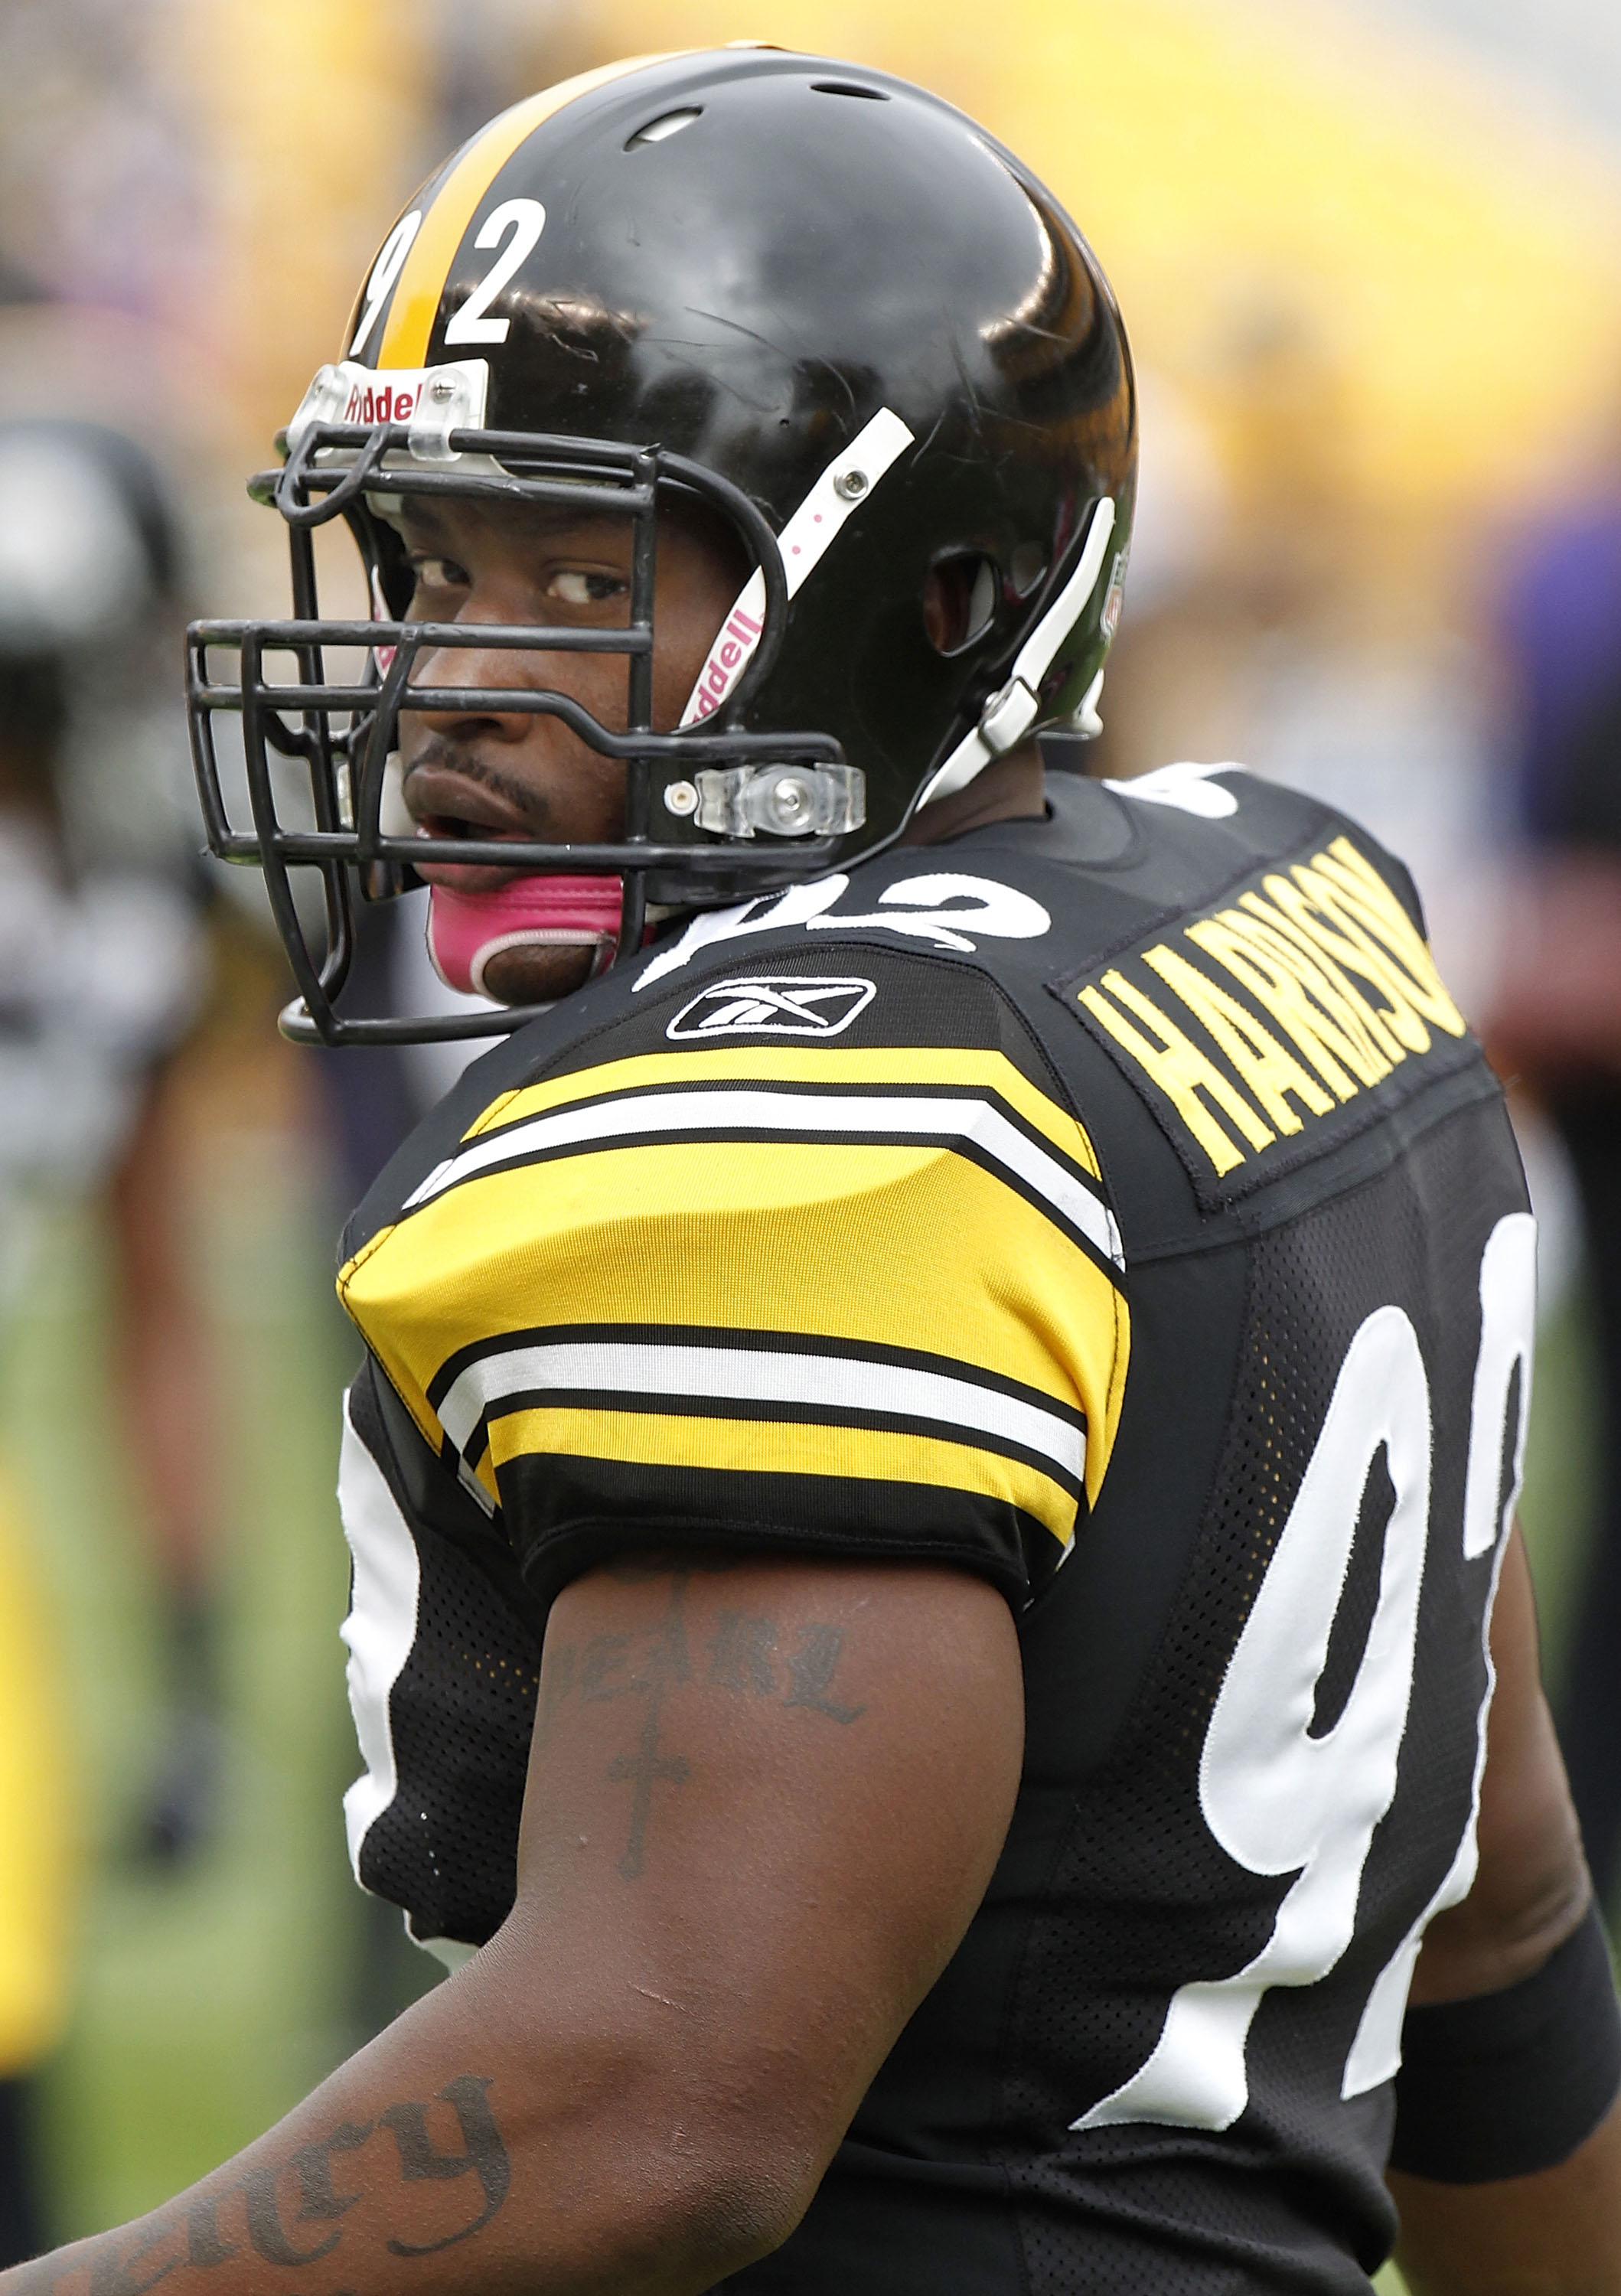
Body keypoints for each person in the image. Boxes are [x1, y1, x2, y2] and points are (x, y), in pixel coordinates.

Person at [11, 47, 1619, 2296]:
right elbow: (1502, 1918)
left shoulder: (789, 1124)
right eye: (429, 564)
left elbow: (660, 2091)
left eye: (577, 574)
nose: (444, 686)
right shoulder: (1281, 917)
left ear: (940, 594)